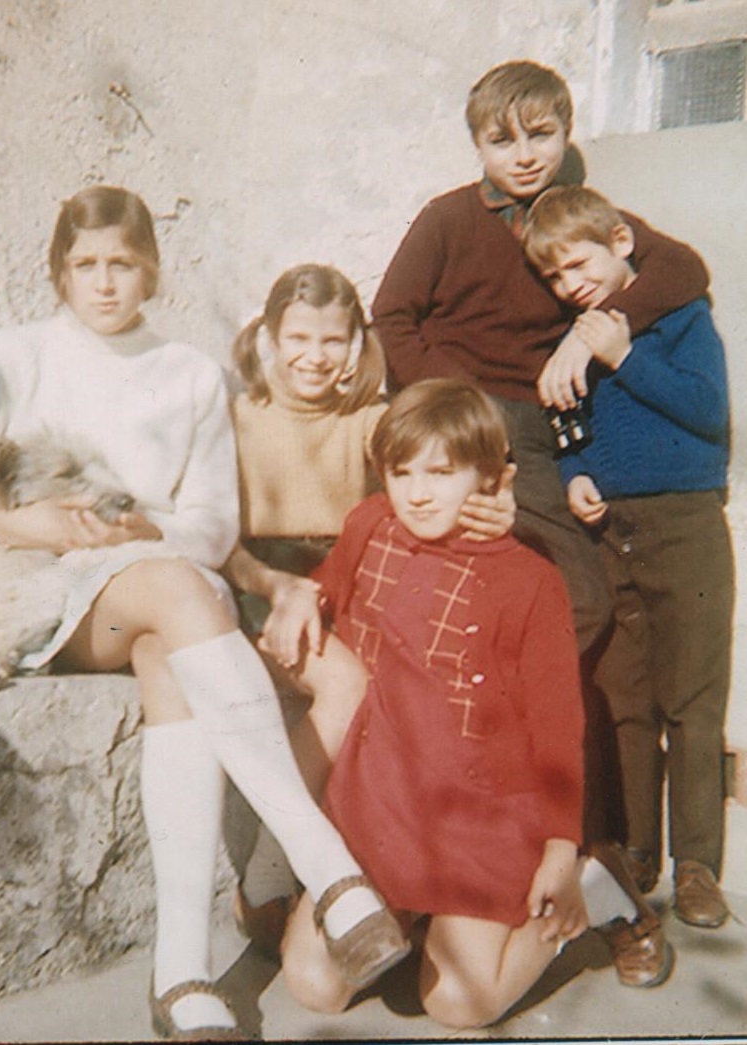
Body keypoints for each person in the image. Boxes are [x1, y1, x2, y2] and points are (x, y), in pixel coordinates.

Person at [0, 189, 412, 1040]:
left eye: (123, 265)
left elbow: (210, 525)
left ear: (152, 272)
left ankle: (180, 973)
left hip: (150, 592)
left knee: (174, 637)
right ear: (59, 272)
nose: (104, 283)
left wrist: (140, 528)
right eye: (85, 265)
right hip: (32, 594)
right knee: (182, 593)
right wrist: (25, 524)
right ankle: (328, 868)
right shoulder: (11, 357)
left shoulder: (190, 375)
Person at [278, 379, 672, 1027]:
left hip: (482, 817)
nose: (418, 492)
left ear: (492, 479)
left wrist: (557, 850)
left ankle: (596, 884)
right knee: (314, 982)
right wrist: (299, 595)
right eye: (401, 472)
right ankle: (412, 915)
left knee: (458, 1002)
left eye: (441, 472)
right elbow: (324, 587)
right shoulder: (370, 525)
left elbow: (556, 727)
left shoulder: (529, 579)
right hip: (379, 805)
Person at [221, 263, 514, 958]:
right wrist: (275, 588)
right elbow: (217, 538)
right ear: (268, 337)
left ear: (354, 342)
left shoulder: (371, 417)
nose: (314, 356)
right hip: (261, 581)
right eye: (298, 338)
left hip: (349, 578)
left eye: (332, 339)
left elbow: (460, 454)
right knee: (346, 685)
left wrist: (499, 499)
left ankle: (420, 871)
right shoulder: (238, 416)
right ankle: (267, 875)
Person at [371, 59, 709, 657]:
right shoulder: (448, 218)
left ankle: (506, 694)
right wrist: (456, 402)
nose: (524, 156)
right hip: (461, 415)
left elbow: (682, 267)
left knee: (581, 594)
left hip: (540, 426)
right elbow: (392, 315)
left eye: (541, 135)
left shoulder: (577, 218)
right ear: (478, 147)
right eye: (502, 141)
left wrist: (586, 335)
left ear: (566, 133)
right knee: (503, 583)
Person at [522, 185, 734, 928]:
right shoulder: (571, 336)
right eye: (553, 276)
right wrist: (574, 473)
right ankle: (639, 853)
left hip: (684, 522)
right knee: (627, 700)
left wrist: (623, 356)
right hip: (609, 530)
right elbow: (569, 425)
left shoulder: (680, 318)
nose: (569, 284)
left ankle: (698, 866)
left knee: (693, 701)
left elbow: (707, 411)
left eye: (577, 264)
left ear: (619, 243)